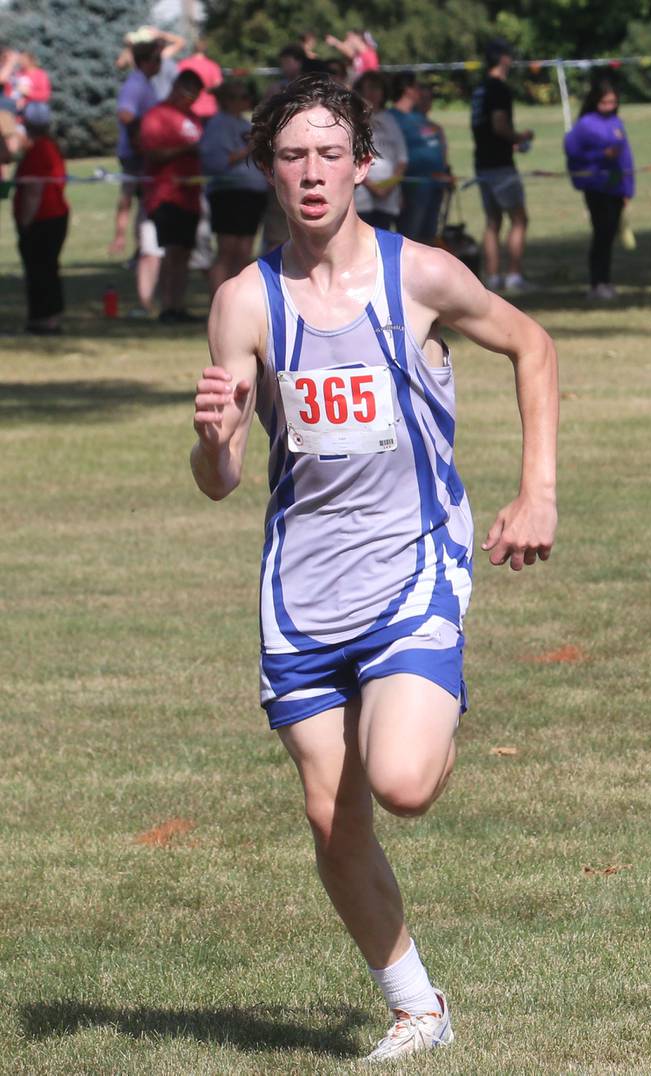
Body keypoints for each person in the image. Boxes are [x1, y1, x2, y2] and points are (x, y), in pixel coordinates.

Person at [189, 73, 557, 1062]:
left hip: (412, 563)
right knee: (328, 812)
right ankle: (417, 1006)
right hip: (303, 590)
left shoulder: (419, 275)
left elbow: (531, 346)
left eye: (329, 152)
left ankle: (425, 683)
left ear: (363, 162)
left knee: (399, 780)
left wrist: (538, 493)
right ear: (269, 169)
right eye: (293, 155)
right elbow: (220, 478)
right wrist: (216, 439)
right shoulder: (244, 302)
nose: (313, 173)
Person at [139, 69, 205, 322]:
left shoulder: (192, 118)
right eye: (190, 94)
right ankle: (166, 306)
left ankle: (178, 305)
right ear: (178, 88)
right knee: (172, 250)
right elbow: (153, 153)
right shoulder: (157, 116)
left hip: (191, 195)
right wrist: (187, 149)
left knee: (185, 252)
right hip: (166, 193)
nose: (192, 100)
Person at [470, 40, 534, 292]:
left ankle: (493, 277)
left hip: (482, 161)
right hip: (499, 164)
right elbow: (498, 125)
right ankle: (514, 276)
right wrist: (518, 138)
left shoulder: (480, 89)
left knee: (492, 221)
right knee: (519, 219)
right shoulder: (498, 89)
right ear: (504, 59)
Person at [562, 78, 634, 300]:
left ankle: (606, 281)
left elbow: (625, 158)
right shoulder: (585, 125)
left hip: (615, 187)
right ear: (595, 101)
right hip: (596, 188)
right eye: (605, 102)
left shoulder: (616, 122)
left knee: (610, 235)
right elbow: (572, 151)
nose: (609, 106)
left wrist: (628, 189)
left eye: (613, 102)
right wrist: (601, 156)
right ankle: (597, 283)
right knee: (601, 234)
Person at [112, 38, 166, 316]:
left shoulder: (144, 82)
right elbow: (125, 114)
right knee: (137, 204)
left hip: (141, 156)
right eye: (157, 59)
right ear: (146, 62)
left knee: (147, 210)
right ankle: (134, 246)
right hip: (135, 157)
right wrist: (140, 139)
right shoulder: (135, 84)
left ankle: (141, 247)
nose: (160, 64)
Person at [201, 79, 268, 291]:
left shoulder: (243, 123)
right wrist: (250, 147)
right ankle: (219, 300)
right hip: (229, 192)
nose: (248, 100)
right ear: (228, 101)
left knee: (244, 251)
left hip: (252, 193)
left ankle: (237, 301)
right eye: (242, 97)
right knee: (227, 250)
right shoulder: (218, 125)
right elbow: (217, 162)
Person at [13, 101, 67, 335]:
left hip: (43, 219)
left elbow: (34, 192)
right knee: (46, 268)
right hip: (53, 217)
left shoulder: (38, 150)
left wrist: (25, 223)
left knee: (40, 270)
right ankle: (45, 317)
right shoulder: (47, 146)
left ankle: (44, 320)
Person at [389, 73, 451, 243]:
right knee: (411, 239)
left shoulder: (420, 117)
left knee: (429, 238)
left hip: (435, 186)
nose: (421, 92)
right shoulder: (392, 118)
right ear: (407, 90)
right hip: (412, 187)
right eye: (418, 87)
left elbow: (435, 138)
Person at [354, 71, 407, 233]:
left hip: (388, 196)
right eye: (368, 88)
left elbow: (402, 158)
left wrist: (388, 187)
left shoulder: (390, 120)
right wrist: (371, 185)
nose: (373, 93)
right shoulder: (355, 119)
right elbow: (351, 155)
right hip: (362, 195)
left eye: (377, 88)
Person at [178, 38, 223, 121]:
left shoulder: (183, 64)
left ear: (193, 49)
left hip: (188, 108)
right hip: (209, 110)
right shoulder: (213, 66)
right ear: (206, 50)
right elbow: (219, 87)